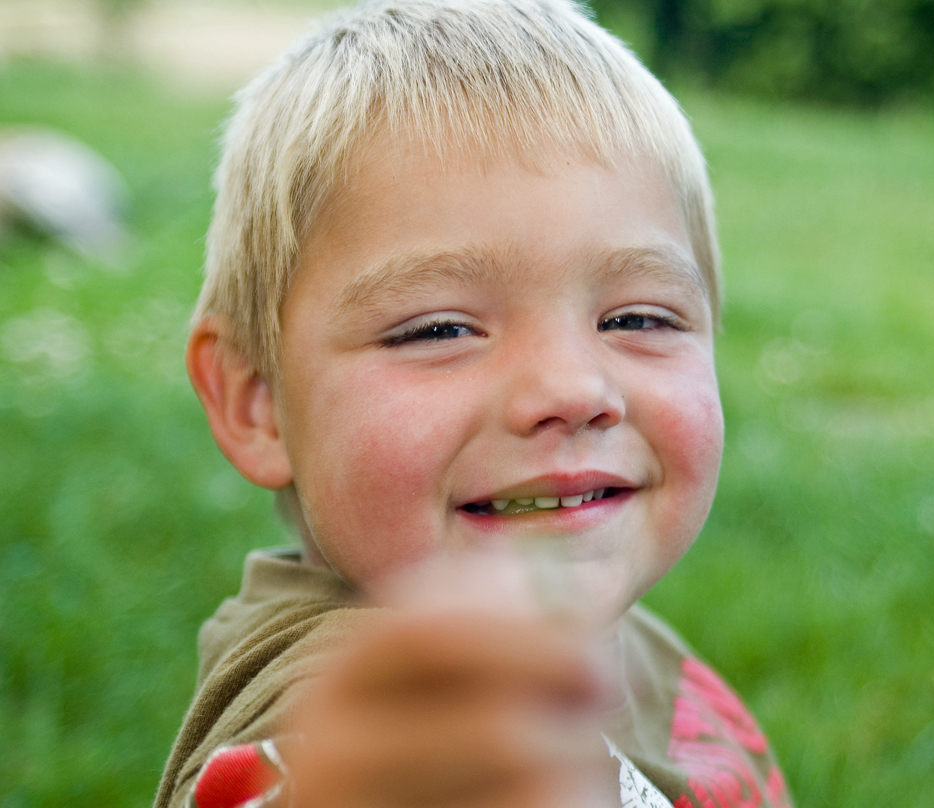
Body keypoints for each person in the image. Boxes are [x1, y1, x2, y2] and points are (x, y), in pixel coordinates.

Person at [155, 1, 792, 806]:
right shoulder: (371, 710)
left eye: (636, 318)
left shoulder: (626, 641)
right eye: (441, 329)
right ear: (257, 403)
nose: (571, 391)